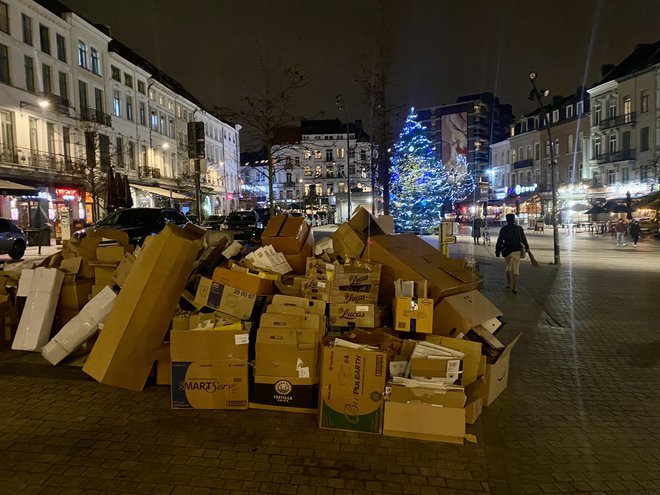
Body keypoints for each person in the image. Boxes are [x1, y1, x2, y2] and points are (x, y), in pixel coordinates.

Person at [495, 213, 529, 294]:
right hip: (517, 250)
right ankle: (515, 288)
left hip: (507, 251)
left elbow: (500, 241)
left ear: (507, 220)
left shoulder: (504, 229)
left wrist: (497, 251)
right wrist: (527, 247)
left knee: (508, 267)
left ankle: (509, 284)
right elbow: (524, 239)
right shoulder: (519, 228)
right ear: (514, 220)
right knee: (516, 269)